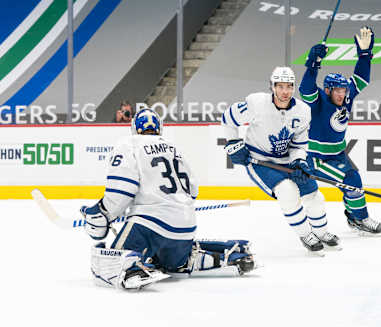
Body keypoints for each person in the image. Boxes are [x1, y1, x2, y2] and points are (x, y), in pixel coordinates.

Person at [81, 108, 255, 290]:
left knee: (111, 259)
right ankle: (225, 255)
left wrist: (101, 213)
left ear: (134, 128)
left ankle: (132, 268)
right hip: (185, 228)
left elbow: (121, 191)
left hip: (149, 226)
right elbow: (193, 191)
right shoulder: (172, 148)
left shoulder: (129, 144)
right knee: (172, 264)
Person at [222, 66, 340, 254]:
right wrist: (233, 142)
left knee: (314, 195)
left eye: (289, 86)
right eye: (280, 86)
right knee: (287, 191)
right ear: (272, 86)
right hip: (259, 160)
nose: (285, 91)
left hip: (286, 160)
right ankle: (305, 234)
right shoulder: (256, 103)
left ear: (293, 87)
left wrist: (299, 161)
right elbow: (228, 118)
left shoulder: (302, 111)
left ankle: (322, 232)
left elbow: (299, 145)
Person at [299, 27, 381, 236]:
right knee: (351, 180)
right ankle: (360, 218)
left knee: (352, 179)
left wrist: (364, 55)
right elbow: (305, 89)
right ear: (328, 90)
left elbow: (361, 79)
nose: (342, 94)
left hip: (338, 154)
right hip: (317, 159)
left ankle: (355, 216)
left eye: (344, 90)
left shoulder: (347, 96)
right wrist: (313, 64)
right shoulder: (318, 101)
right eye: (337, 90)